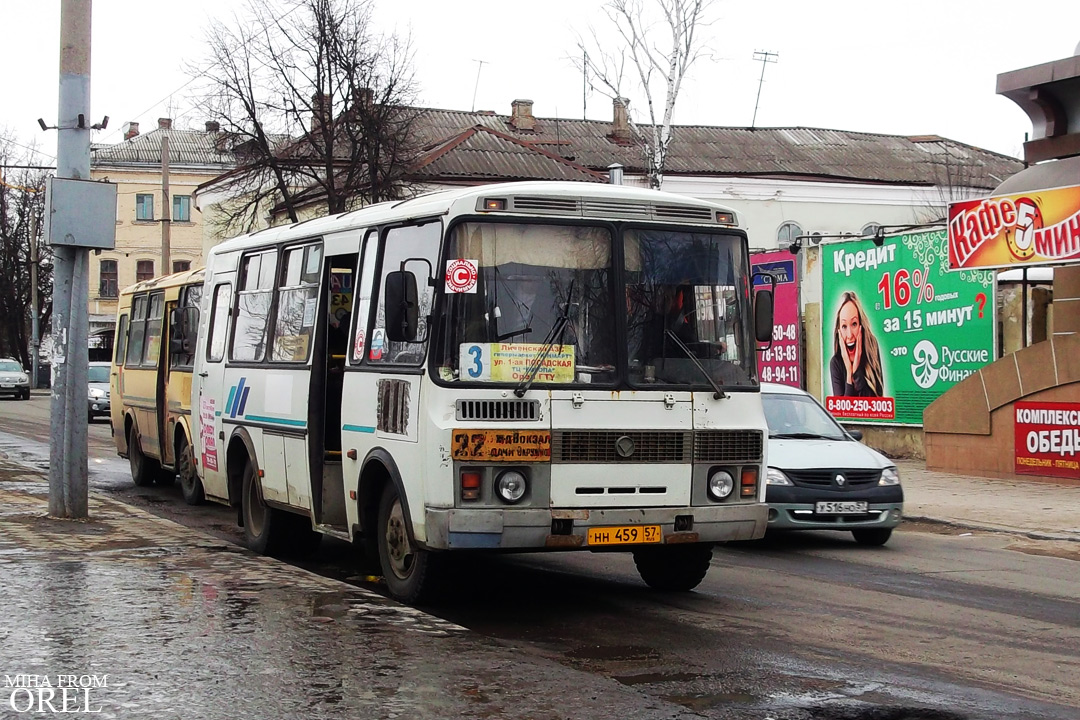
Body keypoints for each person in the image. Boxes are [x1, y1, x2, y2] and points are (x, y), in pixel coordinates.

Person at [830, 291, 884, 397]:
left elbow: (875, 405)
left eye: (854, 324)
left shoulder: (872, 349)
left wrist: (857, 370)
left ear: (861, 325)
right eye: (844, 326)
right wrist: (849, 373)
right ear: (838, 330)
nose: (850, 335)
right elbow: (843, 411)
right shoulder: (835, 363)